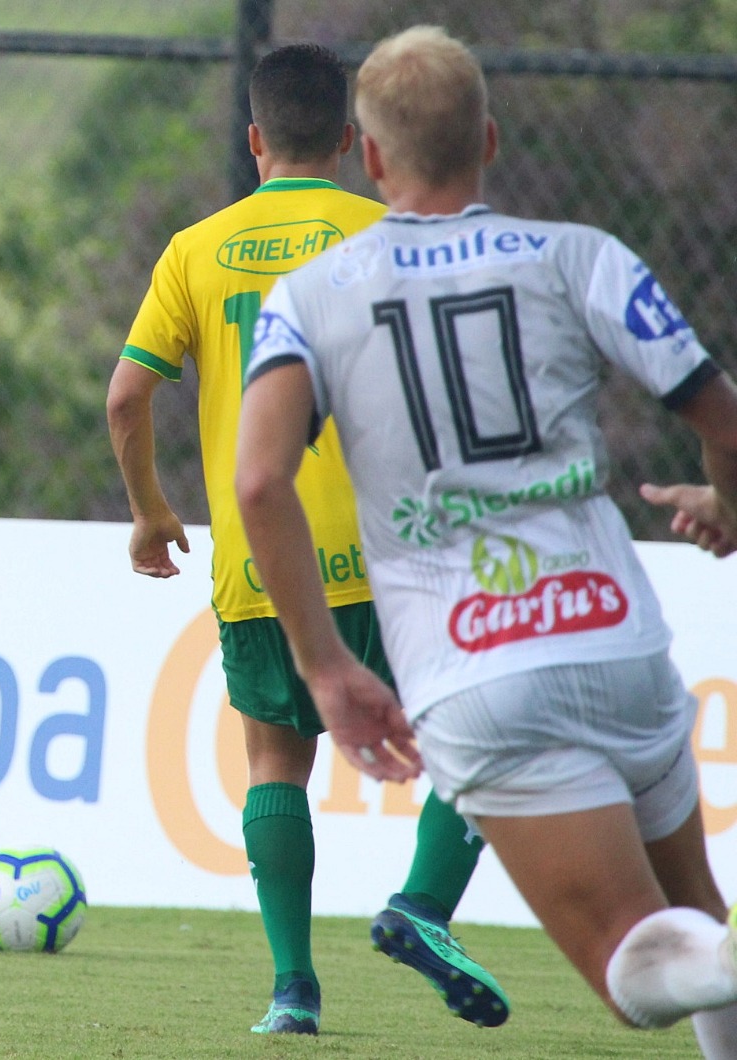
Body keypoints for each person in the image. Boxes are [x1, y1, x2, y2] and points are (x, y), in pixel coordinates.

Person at [235, 24, 737, 1055]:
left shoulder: (315, 293)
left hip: (475, 671)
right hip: (616, 637)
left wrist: (323, 664)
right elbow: (722, 421)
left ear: (368, 155)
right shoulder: (578, 256)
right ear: (489, 140)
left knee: (638, 970)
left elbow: (256, 480)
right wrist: (725, 504)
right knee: (700, 935)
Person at [107, 43, 507, 1036]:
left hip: (258, 551)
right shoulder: (390, 233)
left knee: (272, 763)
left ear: (252, 141)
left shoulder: (196, 249)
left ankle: (291, 989)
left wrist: (152, 509)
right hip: (392, 551)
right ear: (349, 140)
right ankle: (419, 903)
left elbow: (125, 395)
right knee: (475, 732)